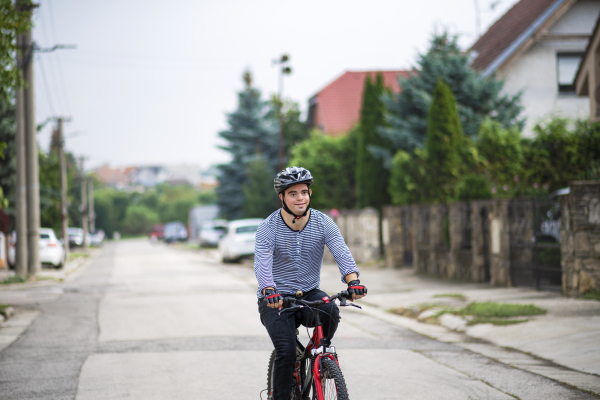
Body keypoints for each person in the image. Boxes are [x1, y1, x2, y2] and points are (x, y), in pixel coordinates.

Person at [254, 166, 367, 400]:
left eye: (304, 192)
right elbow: (262, 263)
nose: (299, 198)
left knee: (330, 310)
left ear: (310, 194)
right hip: (276, 300)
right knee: (285, 352)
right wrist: (269, 290)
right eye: (292, 193)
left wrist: (354, 281)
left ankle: (320, 362)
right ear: (282, 197)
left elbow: (341, 252)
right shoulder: (268, 227)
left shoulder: (323, 222)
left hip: (309, 293)